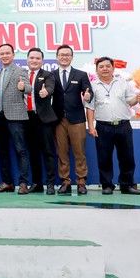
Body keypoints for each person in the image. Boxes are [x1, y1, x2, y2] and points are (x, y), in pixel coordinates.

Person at [85, 57, 140, 195]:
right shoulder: (92, 86)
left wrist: (137, 99)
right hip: (103, 126)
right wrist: (91, 127)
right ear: (96, 70)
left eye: (108, 66)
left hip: (123, 125)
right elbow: (90, 107)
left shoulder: (122, 83)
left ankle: (126, 185)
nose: (105, 69)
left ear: (113, 68)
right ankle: (107, 185)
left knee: (127, 157)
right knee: (104, 157)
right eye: (101, 67)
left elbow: (130, 101)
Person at [0, 44, 32, 195]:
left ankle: (23, 183)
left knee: (20, 150)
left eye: (7, 53)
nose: (5, 56)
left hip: (16, 117)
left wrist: (23, 87)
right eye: (2, 54)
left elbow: (29, 88)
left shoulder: (21, 71)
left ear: (13, 55)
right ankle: (7, 182)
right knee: (2, 151)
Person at [52, 44, 92, 195]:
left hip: (76, 119)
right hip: (58, 120)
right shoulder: (51, 75)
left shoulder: (81, 74)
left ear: (72, 57)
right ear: (57, 57)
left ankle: (81, 182)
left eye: (67, 55)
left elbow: (88, 91)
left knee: (79, 152)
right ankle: (65, 182)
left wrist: (88, 95)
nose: (64, 57)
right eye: (61, 55)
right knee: (61, 153)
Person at [24, 48, 58, 195]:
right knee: (33, 153)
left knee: (48, 152)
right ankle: (37, 183)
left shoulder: (48, 75)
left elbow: (50, 87)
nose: (34, 60)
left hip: (43, 119)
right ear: (27, 59)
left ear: (42, 61)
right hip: (27, 119)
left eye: (37, 58)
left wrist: (46, 92)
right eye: (32, 58)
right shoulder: (22, 75)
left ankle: (50, 183)